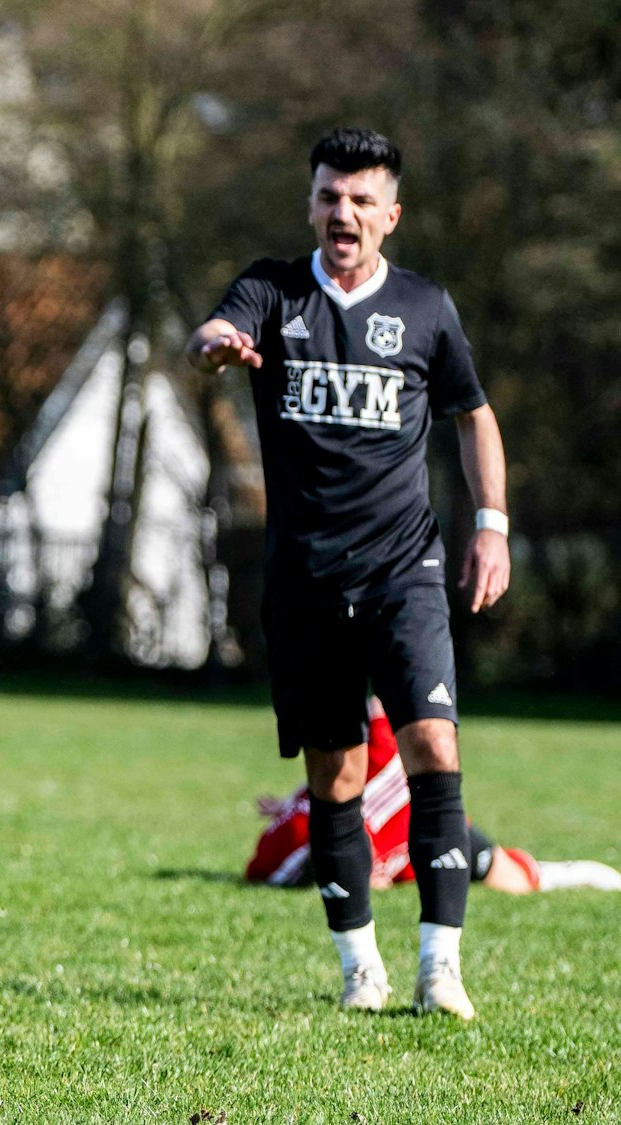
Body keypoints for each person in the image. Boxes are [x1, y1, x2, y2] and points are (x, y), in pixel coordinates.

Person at [186, 127, 512, 1018]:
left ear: (391, 217)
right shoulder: (274, 290)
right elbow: (216, 327)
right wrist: (216, 343)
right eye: (331, 195)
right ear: (311, 204)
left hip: (406, 569)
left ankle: (440, 967)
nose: (345, 213)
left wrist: (492, 526)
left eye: (363, 200)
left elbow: (473, 415)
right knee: (337, 773)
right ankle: (359, 967)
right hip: (306, 583)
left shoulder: (426, 309)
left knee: (435, 749)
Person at [246, 699, 621, 894]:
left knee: (516, 879)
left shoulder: (380, 737)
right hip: (408, 853)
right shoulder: (288, 845)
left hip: (432, 826)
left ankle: (559, 873)